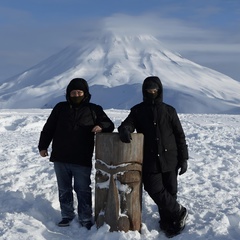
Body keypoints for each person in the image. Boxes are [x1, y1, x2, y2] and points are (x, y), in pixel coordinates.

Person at [38, 78, 114, 229]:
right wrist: (43, 146)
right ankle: (67, 215)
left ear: (85, 94)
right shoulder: (60, 108)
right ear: (68, 94)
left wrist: (100, 126)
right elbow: (49, 128)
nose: (76, 95)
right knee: (64, 188)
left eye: (79, 92)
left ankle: (85, 217)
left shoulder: (93, 109)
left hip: (81, 158)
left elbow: (109, 124)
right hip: (61, 157)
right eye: (73, 92)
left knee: (83, 189)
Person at [118, 76, 189, 238]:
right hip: (150, 159)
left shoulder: (169, 110)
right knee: (153, 188)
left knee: (170, 191)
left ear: (160, 91)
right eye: (149, 90)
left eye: (154, 90)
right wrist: (125, 129)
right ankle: (179, 211)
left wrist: (184, 158)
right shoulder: (138, 110)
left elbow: (179, 135)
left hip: (170, 158)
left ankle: (169, 222)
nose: (152, 93)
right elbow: (128, 123)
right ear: (144, 91)